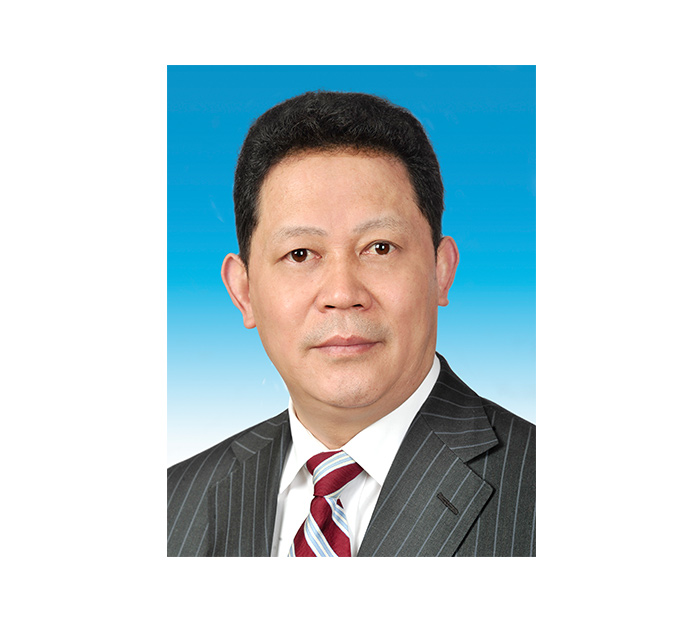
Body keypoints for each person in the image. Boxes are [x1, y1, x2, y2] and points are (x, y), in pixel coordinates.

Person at [167, 91, 535, 557]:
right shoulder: (171, 505)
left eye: (380, 248)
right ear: (243, 291)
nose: (342, 294)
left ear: (441, 271)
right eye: (300, 254)